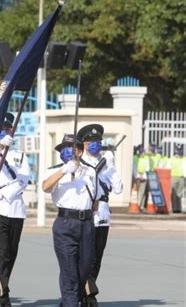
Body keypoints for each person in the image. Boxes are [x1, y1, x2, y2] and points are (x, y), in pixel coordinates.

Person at [42, 130, 98, 307]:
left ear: (80, 151)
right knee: (69, 272)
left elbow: (95, 201)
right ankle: (70, 303)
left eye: (72, 147)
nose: (68, 151)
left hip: (87, 223)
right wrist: (64, 171)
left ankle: (68, 301)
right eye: (64, 148)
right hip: (65, 223)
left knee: (85, 269)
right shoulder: (54, 171)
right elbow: (45, 186)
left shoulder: (91, 172)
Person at [0, 116, 30, 307]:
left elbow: (24, 180)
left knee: (11, 253)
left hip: (15, 207)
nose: (4, 132)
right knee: (1, 253)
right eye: (0, 129)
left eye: (7, 129)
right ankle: (4, 295)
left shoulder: (20, 156)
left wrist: (2, 193)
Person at [79, 131, 123, 306]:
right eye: (92, 141)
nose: (96, 144)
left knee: (97, 257)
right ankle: (87, 294)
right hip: (87, 214)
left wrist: (111, 166)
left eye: (98, 141)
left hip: (103, 216)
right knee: (85, 257)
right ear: (84, 143)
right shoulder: (82, 163)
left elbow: (118, 188)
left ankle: (87, 292)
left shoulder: (106, 165)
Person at [167, 145, 185, 213]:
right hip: (173, 177)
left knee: (179, 194)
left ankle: (178, 208)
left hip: (182, 178)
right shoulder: (171, 159)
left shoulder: (184, 158)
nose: (179, 151)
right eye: (178, 150)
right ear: (175, 150)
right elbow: (168, 168)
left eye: (180, 150)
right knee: (174, 194)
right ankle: (174, 208)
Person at [136, 146, 150, 210]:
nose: (143, 154)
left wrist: (143, 175)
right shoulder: (136, 158)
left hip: (144, 176)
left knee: (143, 192)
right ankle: (138, 205)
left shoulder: (146, 158)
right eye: (141, 152)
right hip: (137, 176)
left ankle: (140, 206)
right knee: (138, 191)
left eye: (143, 152)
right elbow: (135, 167)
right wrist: (139, 175)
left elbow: (147, 167)